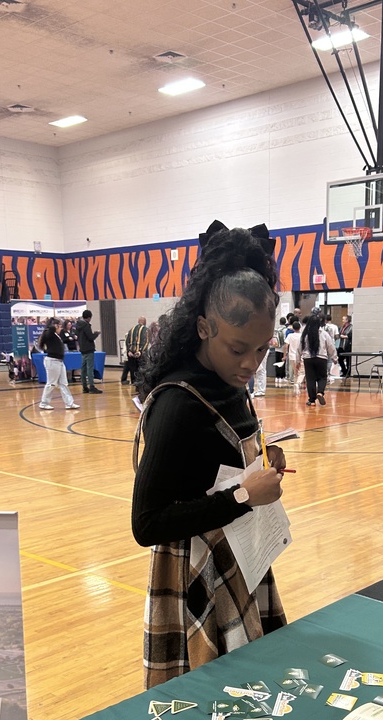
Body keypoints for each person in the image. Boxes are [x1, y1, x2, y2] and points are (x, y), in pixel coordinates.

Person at [132, 221, 287, 688]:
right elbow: (147, 525)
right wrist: (242, 497)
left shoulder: (231, 385)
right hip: (195, 572)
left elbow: (217, 460)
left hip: (243, 555)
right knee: (205, 705)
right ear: (203, 327)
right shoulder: (177, 403)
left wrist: (264, 457)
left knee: (251, 697)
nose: (249, 364)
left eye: (261, 351)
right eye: (238, 349)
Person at [38, 318, 80, 411]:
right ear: (55, 326)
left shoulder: (57, 335)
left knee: (64, 383)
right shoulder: (49, 334)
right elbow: (49, 331)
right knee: (51, 383)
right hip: (52, 361)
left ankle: (69, 403)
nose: (61, 328)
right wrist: (52, 324)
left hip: (59, 361)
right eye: (59, 326)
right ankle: (44, 403)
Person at [300, 313, 337, 407]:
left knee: (310, 379)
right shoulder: (324, 334)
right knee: (322, 377)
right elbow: (331, 346)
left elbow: (299, 348)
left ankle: (312, 401)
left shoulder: (305, 334)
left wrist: (297, 360)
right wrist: (334, 357)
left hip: (308, 359)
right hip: (321, 358)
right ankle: (320, 392)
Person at [75, 309, 101, 394]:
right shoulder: (86, 326)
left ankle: (84, 387)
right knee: (90, 369)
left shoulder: (78, 325)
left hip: (82, 349)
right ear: (89, 318)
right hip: (89, 349)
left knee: (83, 369)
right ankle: (92, 387)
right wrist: (96, 333)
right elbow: (90, 337)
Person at [125, 316, 149, 386]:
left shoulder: (131, 329)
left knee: (133, 370)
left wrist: (128, 350)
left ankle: (133, 382)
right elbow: (146, 342)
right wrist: (140, 351)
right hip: (140, 354)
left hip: (131, 353)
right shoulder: (146, 330)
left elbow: (127, 341)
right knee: (141, 369)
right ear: (144, 322)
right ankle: (140, 384)